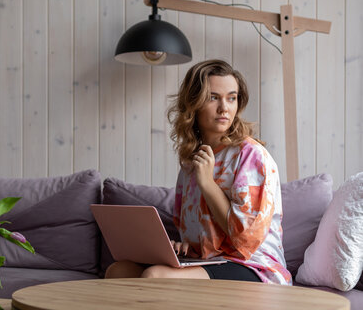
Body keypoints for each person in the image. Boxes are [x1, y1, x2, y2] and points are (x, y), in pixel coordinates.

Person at [105, 59, 292, 285]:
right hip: (209, 263)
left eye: (231, 98)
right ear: (194, 103)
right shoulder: (191, 163)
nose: (224, 108)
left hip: (255, 268)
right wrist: (184, 247)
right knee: (119, 271)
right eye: (214, 98)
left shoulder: (251, 156)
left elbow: (245, 241)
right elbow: (194, 233)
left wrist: (208, 184)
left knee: (155, 277)